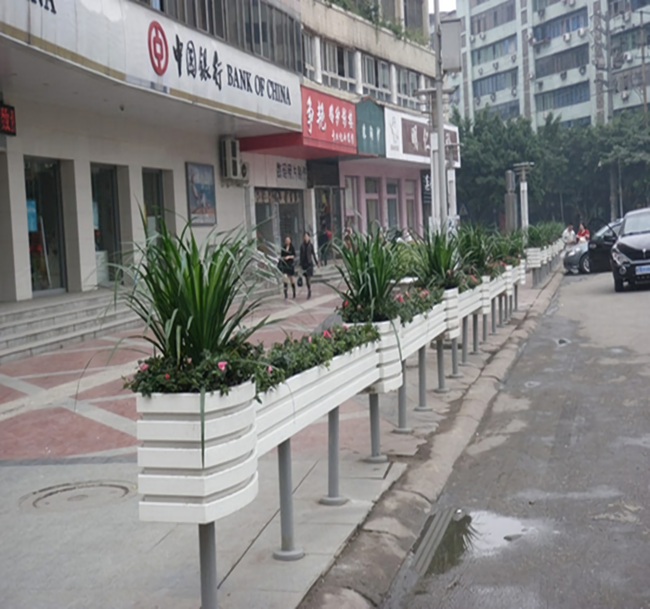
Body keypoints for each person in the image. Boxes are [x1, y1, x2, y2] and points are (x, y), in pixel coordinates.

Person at [299, 232, 319, 300]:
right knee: (306, 279)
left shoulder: (311, 245)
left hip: (309, 263)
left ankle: (309, 291)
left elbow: (313, 254)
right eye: (305, 236)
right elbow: (301, 255)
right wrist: (300, 264)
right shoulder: (302, 246)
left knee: (308, 277)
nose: (306, 238)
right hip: (304, 263)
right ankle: (309, 289)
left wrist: (317, 262)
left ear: (309, 237)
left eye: (307, 236)